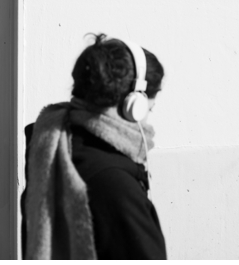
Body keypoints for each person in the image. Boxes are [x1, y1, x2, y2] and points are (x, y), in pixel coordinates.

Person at [23, 34, 166, 259]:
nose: (146, 121)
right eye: (149, 110)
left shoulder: (51, 149)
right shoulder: (115, 185)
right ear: (133, 105)